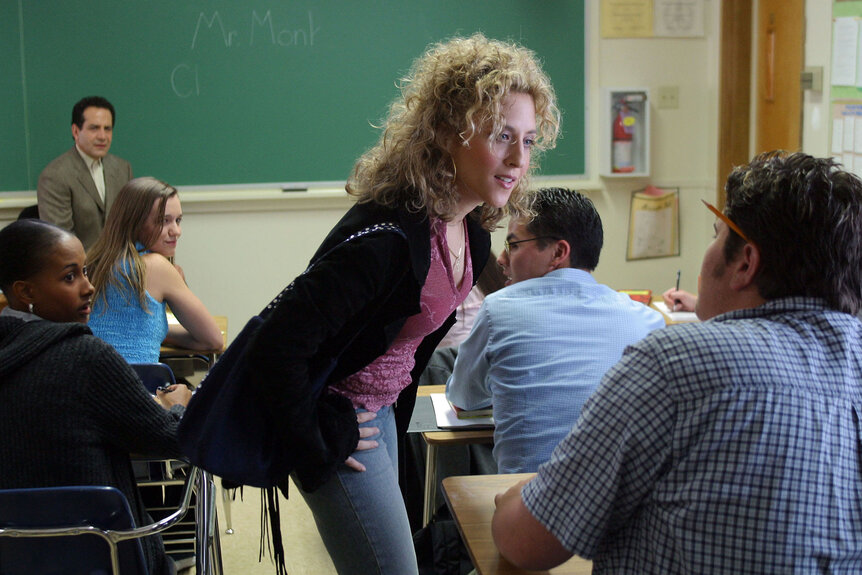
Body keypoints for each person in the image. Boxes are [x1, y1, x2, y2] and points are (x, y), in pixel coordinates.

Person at [245, 33, 560, 575]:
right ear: (445, 132)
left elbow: (406, 348)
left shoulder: (473, 233)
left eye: (529, 141)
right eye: (501, 135)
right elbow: (273, 345)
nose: (517, 159)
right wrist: (314, 440)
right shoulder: (388, 238)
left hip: (383, 411)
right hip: (342, 418)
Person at [492, 151, 862, 573]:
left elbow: (528, 543)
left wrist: (512, 499)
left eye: (716, 234)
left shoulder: (674, 364)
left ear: (744, 263)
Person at [0, 219, 192, 575]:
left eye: (86, 272)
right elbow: (174, 440)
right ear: (25, 292)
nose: (89, 287)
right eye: (70, 277)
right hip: (103, 557)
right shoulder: (86, 357)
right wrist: (177, 405)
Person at [446, 188, 665, 474]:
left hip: (527, 501)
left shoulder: (498, 309)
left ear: (558, 253)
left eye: (513, 245)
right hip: (619, 502)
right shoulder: (647, 320)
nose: (501, 259)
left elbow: (464, 398)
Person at [87, 177, 222, 363]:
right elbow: (213, 340)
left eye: (178, 220)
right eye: (164, 221)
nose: (176, 231)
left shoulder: (96, 260)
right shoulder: (155, 266)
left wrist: (159, 332)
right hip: (135, 387)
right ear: (135, 222)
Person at [37, 96, 133, 250]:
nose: (102, 136)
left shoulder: (123, 169)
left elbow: (131, 227)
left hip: (120, 265)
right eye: (94, 128)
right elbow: (61, 243)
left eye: (107, 129)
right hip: (81, 269)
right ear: (75, 131)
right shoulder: (55, 175)